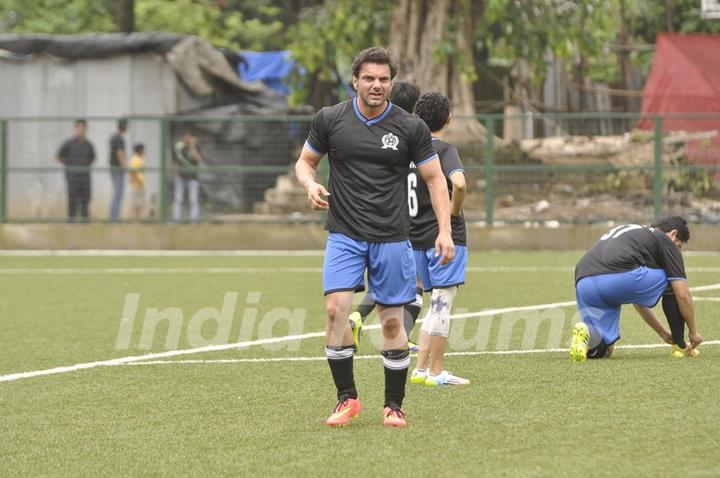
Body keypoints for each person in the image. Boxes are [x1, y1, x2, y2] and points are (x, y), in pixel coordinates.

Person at [294, 47, 455, 428]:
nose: (377, 85)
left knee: (391, 323)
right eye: (369, 78)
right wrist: (308, 184)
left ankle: (393, 405)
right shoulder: (330, 119)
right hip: (344, 234)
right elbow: (305, 162)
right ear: (355, 81)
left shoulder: (409, 127)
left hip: (392, 237)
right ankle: (346, 399)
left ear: (391, 83)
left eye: (384, 79)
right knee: (336, 310)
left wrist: (445, 231)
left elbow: (435, 179)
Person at [347, 79, 424, 351]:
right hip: (411, 228)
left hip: (382, 222)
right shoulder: (417, 141)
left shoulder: (382, 138)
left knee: (387, 285)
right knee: (413, 289)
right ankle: (401, 338)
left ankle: (357, 315)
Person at [570, 216, 703, 361]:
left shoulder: (635, 233)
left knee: (604, 349)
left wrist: (663, 333)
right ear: (673, 234)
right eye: (678, 246)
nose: (677, 251)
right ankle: (680, 346)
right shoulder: (665, 241)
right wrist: (693, 332)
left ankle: (586, 337)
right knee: (673, 281)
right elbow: (682, 294)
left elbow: (638, 300)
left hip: (583, 280)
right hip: (617, 276)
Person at [407, 92, 470, 386]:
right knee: (443, 303)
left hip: (415, 238)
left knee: (434, 304)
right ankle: (436, 372)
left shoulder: (409, 152)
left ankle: (420, 369)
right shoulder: (444, 150)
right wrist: (454, 213)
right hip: (443, 237)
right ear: (448, 119)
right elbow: (458, 184)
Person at [56, 119, 95, 222]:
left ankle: (85, 221)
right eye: (78, 127)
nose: (80, 129)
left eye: (82, 127)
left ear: (86, 129)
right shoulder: (68, 144)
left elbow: (92, 158)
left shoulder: (89, 145)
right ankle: (71, 221)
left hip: (85, 178)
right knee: (72, 200)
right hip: (72, 178)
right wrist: (69, 165)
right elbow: (59, 156)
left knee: (85, 200)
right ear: (75, 129)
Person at [172, 130, 204, 223]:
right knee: (178, 199)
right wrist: (175, 174)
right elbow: (175, 161)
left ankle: (193, 221)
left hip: (193, 178)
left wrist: (193, 146)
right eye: (186, 136)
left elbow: (198, 158)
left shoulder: (195, 146)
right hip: (180, 177)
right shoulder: (178, 146)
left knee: (193, 200)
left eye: (190, 136)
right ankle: (176, 220)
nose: (187, 138)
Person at [109, 119, 127, 222]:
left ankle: (114, 218)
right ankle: (114, 219)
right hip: (118, 169)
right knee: (118, 194)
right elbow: (120, 153)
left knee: (117, 193)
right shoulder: (119, 139)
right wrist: (125, 167)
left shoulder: (113, 137)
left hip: (113, 168)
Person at [128, 142, 146, 220]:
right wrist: (138, 181)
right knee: (135, 203)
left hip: (141, 184)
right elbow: (133, 172)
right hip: (137, 185)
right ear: (139, 150)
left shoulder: (140, 158)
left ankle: (138, 218)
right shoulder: (134, 159)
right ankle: (134, 218)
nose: (144, 151)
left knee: (140, 203)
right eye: (143, 149)